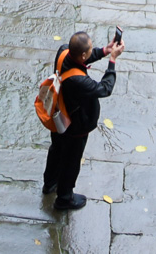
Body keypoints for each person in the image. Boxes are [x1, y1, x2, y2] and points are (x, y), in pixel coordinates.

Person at [42, 30, 123, 210]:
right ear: (84, 54)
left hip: (59, 118)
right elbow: (104, 89)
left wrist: (104, 50)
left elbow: (81, 57)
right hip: (75, 126)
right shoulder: (79, 81)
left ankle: (50, 183)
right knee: (71, 161)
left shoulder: (63, 52)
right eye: (90, 50)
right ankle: (64, 198)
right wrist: (112, 61)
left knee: (56, 150)